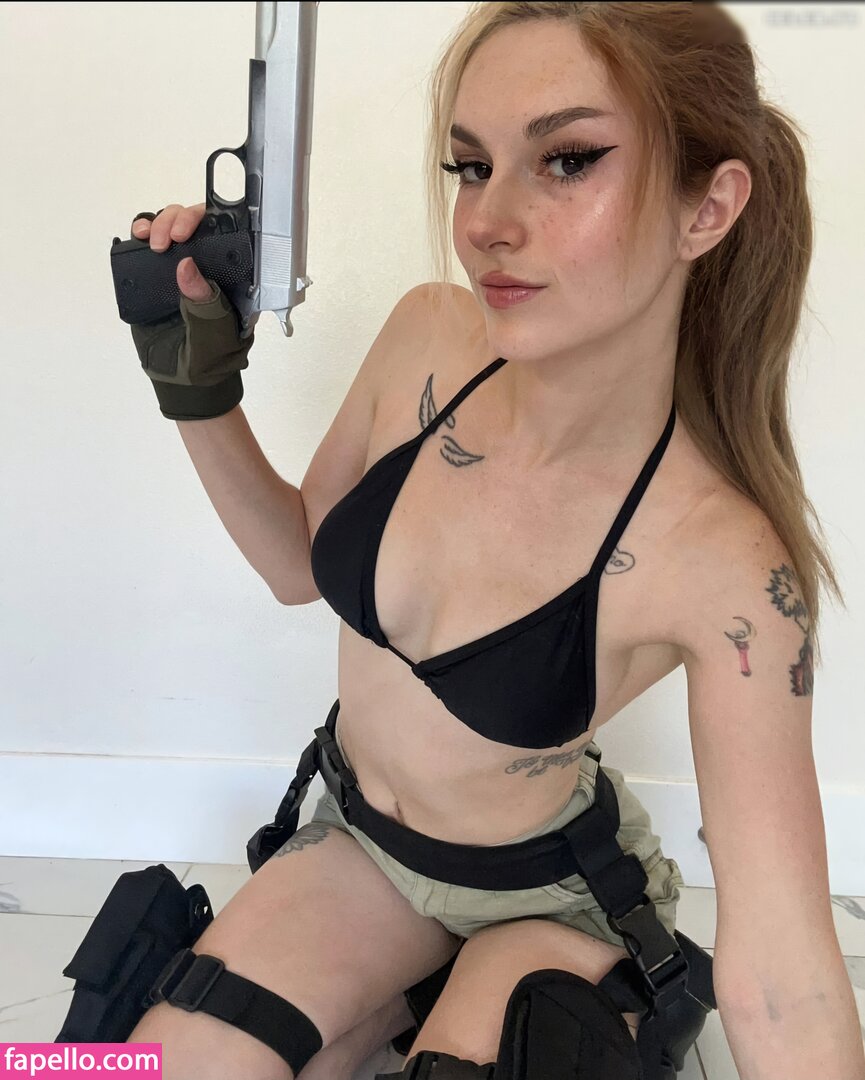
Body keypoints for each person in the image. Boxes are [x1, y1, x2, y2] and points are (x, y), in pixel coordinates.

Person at [124, 3, 861, 1080]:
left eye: (566, 160)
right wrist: (194, 389)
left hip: (547, 894)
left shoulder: (724, 563)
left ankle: (522, 998)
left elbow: (786, 981)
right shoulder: (427, 337)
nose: (485, 223)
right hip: (363, 849)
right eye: (470, 166)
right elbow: (294, 563)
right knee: (144, 1067)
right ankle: (399, 993)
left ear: (706, 207)